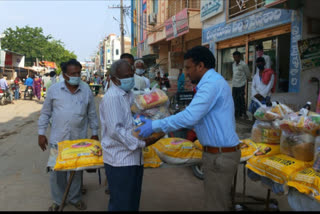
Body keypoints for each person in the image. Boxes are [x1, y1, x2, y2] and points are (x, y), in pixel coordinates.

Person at [136, 46, 240, 211]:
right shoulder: (209, 83)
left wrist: (155, 125)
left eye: (188, 67)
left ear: (200, 66)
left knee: (215, 206)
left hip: (220, 155)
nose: (186, 72)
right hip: (216, 154)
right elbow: (196, 118)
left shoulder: (211, 84)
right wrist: (163, 118)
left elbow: (191, 116)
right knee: (215, 201)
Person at [38, 59, 99, 211]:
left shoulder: (86, 90)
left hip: (79, 139)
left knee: (76, 172)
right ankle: (58, 201)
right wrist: (41, 133)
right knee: (56, 171)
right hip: (57, 139)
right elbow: (45, 113)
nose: (77, 76)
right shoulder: (54, 90)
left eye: (79, 73)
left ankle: (75, 198)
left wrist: (95, 133)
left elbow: (92, 113)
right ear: (64, 75)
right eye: (73, 73)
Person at [99, 59, 154, 211]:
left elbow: (133, 119)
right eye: (126, 76)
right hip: (120, 160)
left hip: (134, 158)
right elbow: (115, 131)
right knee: (121, 203)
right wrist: (142, 143)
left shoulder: (128, 94)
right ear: (115, 79)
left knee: (132, 201)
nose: (130, 78)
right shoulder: (113, 97)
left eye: (131, 74)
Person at [232, 51, 251, 119]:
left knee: (241, 99)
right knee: (235, 99)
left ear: (239, 57)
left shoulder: (243, 64)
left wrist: (248, 81)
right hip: (234, 85)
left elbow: (248, 74)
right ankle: (237, 113)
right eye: (234, 57)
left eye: (236, 57)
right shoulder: (233, 64)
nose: (235, 58)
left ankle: (243, 113)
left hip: (241, 84)